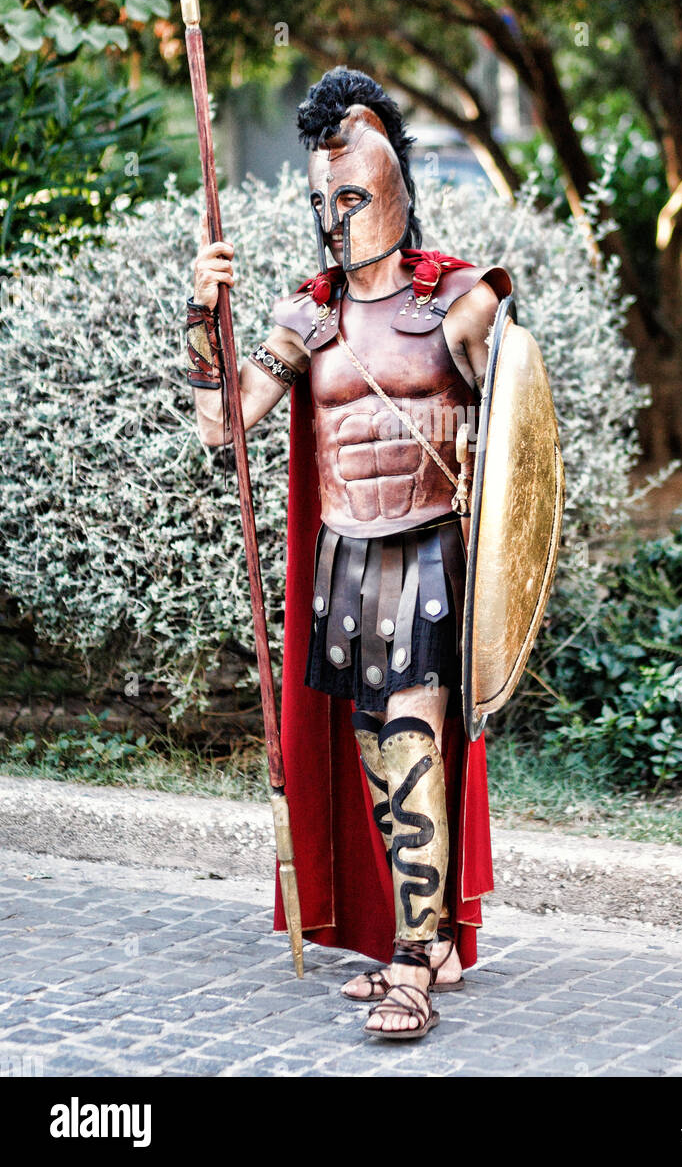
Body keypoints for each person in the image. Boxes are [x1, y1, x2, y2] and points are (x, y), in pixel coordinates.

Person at [187, 67, 511, 1040]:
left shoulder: (457, 298)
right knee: (377, 754)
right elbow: (221, 427)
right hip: (348, 566)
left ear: (395, 186)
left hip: (429, 558)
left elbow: (518, 440)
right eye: (323, 197)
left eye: (354, 192)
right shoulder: (305, 315)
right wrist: (204, 317)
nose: (336, 213)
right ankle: (431, 941)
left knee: (415, 749)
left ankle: (412, 961)